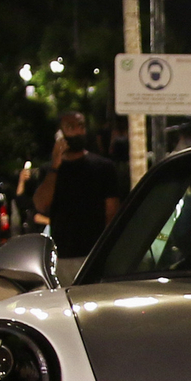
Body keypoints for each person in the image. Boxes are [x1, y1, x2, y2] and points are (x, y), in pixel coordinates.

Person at [35, 110, 125, 279]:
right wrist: (55, 166)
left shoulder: (103, 167)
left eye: (81, 126)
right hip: (63, 256)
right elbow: (41, 204)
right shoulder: (49, 171)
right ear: (59, 133)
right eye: (71, 127)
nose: (78, 131)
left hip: (93, 254)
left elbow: (111, 211)